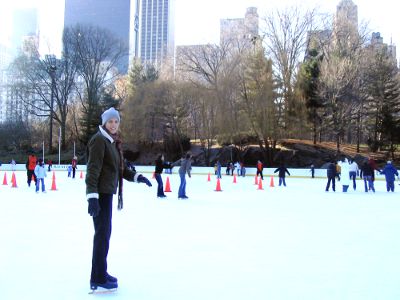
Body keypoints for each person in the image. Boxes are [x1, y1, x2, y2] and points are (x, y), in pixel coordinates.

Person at [86, 107, 152, 292]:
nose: (114, 125)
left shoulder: (112, 142)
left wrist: (138, 177)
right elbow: (92, 170)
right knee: (102, 236)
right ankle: (98, 277)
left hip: (107, 193)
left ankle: (101, 272)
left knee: (104, 235)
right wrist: (92, 197)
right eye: (110, 122)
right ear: (104, 123)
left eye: (116, 121)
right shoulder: (99, 140)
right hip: (100, 195)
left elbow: (119, 170)